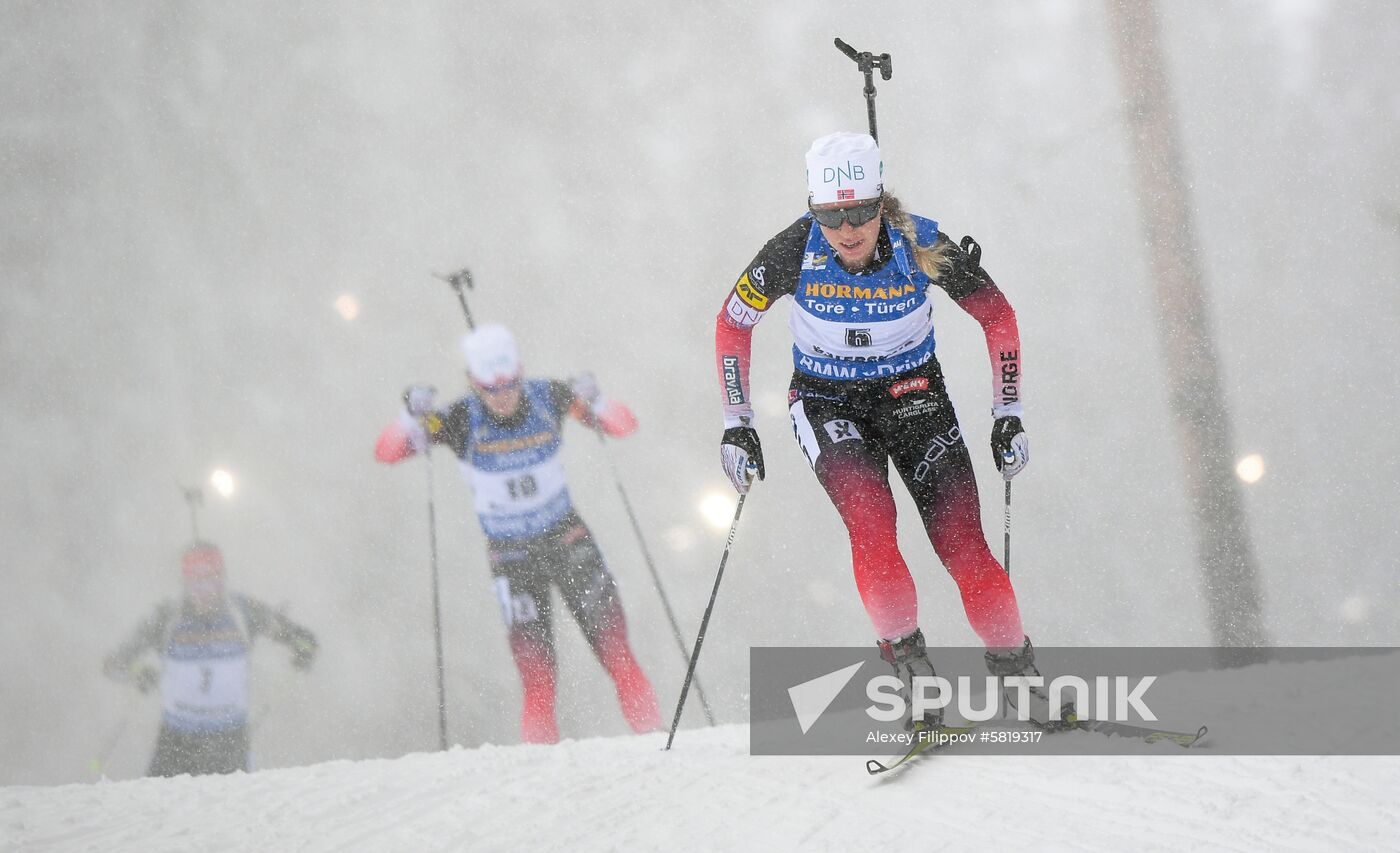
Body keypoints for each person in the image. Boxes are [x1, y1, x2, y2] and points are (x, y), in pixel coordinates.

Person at [714, 131, 1071, 729]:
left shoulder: (922, 242)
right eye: (830, 215)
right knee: (873, 527)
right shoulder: (790, 252)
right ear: (813, 211)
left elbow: (997, 316)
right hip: (828, 403)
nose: (846, 229)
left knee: (964, 546)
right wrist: (737, 423)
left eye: (859, 212)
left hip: (913, 396)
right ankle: (914, 683)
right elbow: (731, 324)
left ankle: (1019, 677)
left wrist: (1007, 411)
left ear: (882, 203)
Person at [374, 324, 662, 744]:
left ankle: (655, 741)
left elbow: (623, 426)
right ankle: (539, 775)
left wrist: (598, 400)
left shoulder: (550, 396)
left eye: (510, 384)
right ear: (474, 383)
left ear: (520, 372)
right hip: (513, 559)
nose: (503, 396)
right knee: (538, 680)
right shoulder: (456, 420)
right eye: (491, 389)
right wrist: (409, 417)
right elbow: (387, 452)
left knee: (618, 655)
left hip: (568, 540)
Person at [103, 541, 318, 776]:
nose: (206, 591)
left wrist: (304, 647)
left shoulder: (244, 612)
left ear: (223, 579)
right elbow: (112, 664)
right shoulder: (165, 617)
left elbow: (300, 638)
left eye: (213, 580)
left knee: (230, 810)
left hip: (229, 742)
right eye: (197, 582)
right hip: (176, 743)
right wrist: (138, 673)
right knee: (162, 810)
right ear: (185, 584)